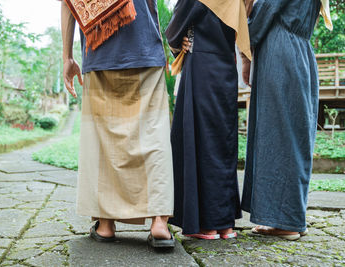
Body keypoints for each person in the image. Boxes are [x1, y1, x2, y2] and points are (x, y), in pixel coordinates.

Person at [61, 0, 175, 248]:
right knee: (154, 135)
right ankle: (159, 223)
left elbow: (68, 4)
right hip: (145, 47)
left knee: (103, 141)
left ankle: (106, 224)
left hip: (99, 50)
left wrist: (67, 56)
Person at [241, 0, 332, 240]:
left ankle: (288, 220)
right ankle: (278, 217)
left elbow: (267, 8)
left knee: (281, 134)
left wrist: (244, 44)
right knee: (286, 133)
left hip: (280, 50)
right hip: (297, 49)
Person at [165, 0, 252, 239]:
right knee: (221, 142)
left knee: (200, 139)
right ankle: (224, 224)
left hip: (201, 66)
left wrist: (176, 42)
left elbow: (174, 28)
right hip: (225, 66)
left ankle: (206, 224)